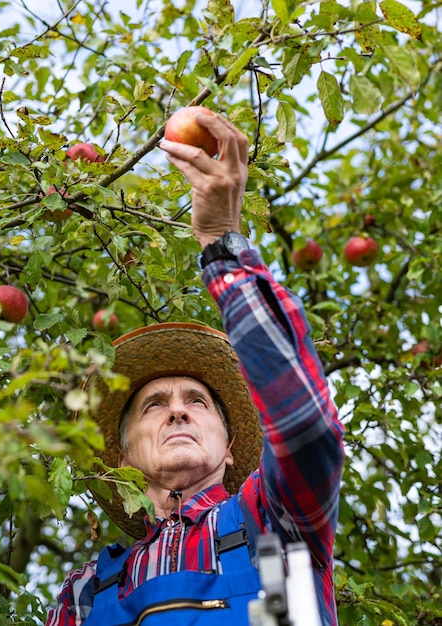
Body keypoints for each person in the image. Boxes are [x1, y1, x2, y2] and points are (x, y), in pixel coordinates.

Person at [45, 113, 345, 626]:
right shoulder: (86, 594)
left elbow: (305, 426)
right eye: (154, 405)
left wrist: (221, 238)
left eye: (197, 401)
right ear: (121, 455)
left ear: (230, 451)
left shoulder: (274, 525)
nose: (178, 411)